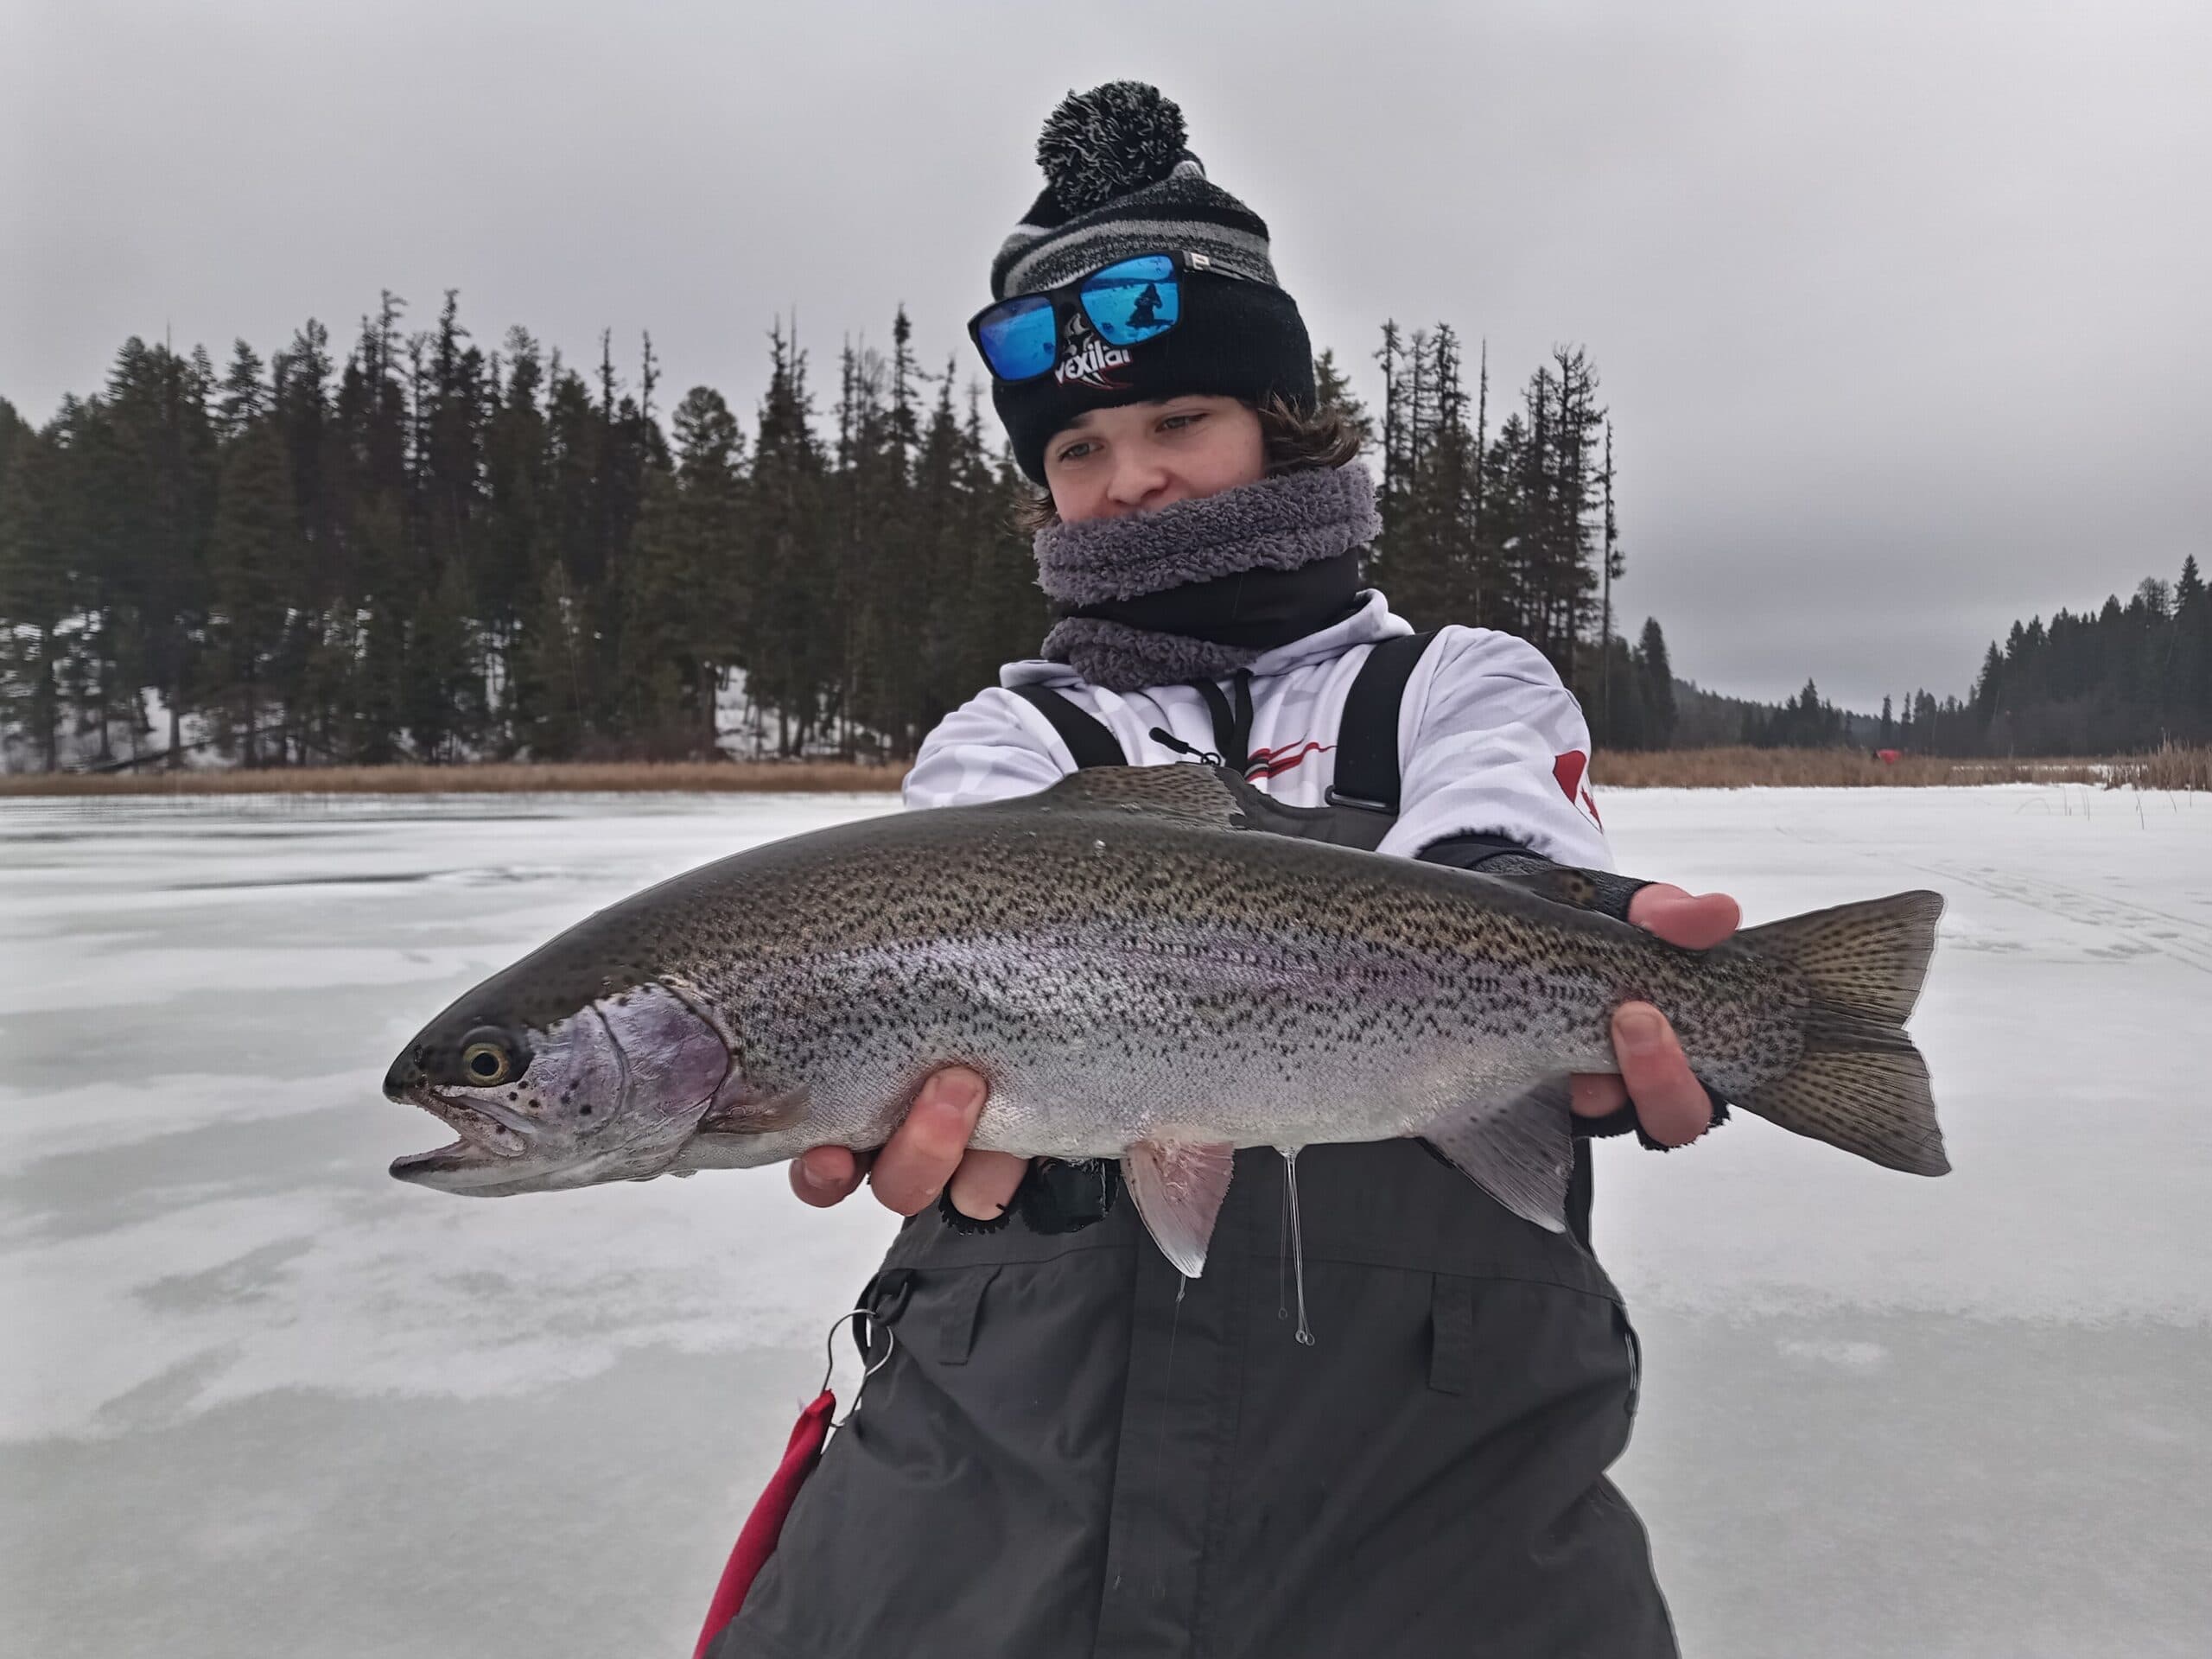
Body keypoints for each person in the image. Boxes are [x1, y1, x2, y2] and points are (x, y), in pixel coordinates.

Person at [707, 81, 1735, 1659]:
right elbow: (934, 917)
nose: (1133, 481)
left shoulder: (1459, 684)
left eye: (1180, 421)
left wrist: (1610, 970)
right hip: (999, 1501)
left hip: (1435, 1506)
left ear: (1280, 420)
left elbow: (1501, 857)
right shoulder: (1016, 733)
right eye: (1081, 447)